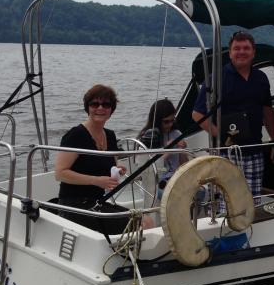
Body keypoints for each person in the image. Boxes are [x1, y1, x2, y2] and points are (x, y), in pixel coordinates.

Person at [191, 30, 274, 204]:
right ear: (230, 53)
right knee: (226, 204)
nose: (241, 52)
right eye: (236, 48)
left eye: (246, 48)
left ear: (253, 52)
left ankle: (248, 229)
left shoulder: (261, 78)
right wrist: (221, 135)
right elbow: (197, 114)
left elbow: (267, 111)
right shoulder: (216, 79)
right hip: (226, 153)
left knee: (252, 203)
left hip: (255, 151)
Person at [55, 84, 132, 233]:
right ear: (87, 107)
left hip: (97, 203)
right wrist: (96, 181)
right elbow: (60, 173)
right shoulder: (75, 135)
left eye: (106, 104)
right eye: (94, 104)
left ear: (111, 109)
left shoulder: (110, 135)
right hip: (73, 206)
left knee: (143, 220)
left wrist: (118, 169)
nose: (100, 108)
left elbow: (112, 163)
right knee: (140, 223)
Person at [138, 98, 187, 193]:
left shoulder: (176, 134)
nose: (170, 124)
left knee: (200, 191)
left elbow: (184, 165)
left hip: (175, 178)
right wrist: (168, 151)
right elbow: (149, 170)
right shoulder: (148, 138)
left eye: (172, 121)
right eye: (166, 122)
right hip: (155, 182)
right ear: (156, 120)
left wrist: (181, 150)